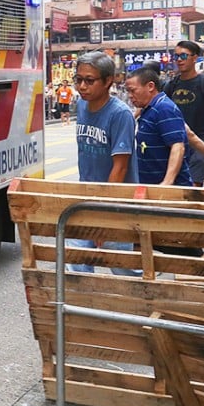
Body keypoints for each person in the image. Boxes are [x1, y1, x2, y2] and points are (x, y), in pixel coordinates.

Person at [67, 51, 140, 275]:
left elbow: (120, 167)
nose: (82, 86)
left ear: (108, 81)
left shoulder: (120, 115)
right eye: (78, 80)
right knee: (77, 260)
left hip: (114, 203)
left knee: (121, 268)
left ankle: (136, 307)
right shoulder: (81, 106)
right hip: (86, 197)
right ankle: (85, 306)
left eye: (89, 80)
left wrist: (103, 217)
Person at [164, 41, 204, 187]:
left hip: (202, 141)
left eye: (184, 56)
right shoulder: (170, 86)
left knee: (194, 186)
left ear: (195, 58)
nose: (179, 60)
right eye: (176, 56)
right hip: (177, 142)